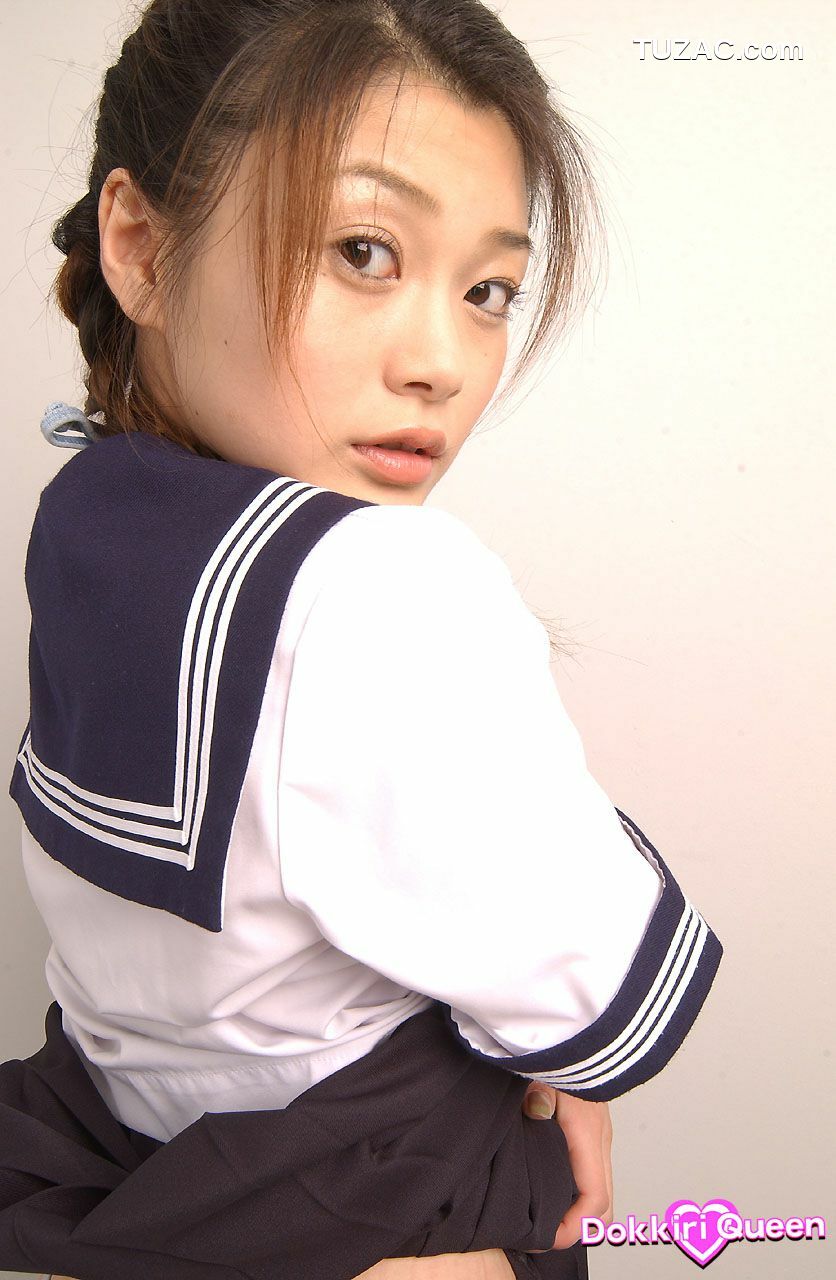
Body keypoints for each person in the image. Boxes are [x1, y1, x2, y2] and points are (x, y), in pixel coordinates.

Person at [1, 2, 723, 1278]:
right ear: (142, 246)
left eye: (487, 289)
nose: (443, 361)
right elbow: (590, 985)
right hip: (386, 1209)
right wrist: (557, 1059)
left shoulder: (88, 515)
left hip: (133, 1156)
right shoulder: (383, 580)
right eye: (363, 250)